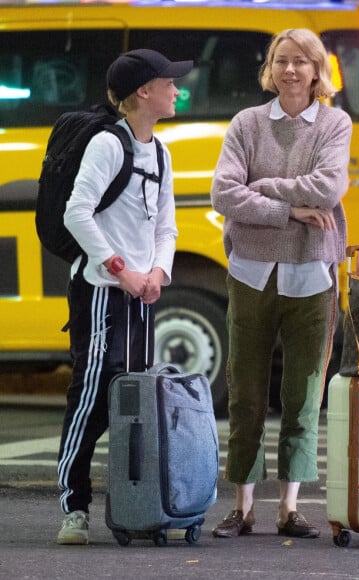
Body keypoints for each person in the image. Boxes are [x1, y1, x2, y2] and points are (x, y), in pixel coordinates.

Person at [210, 28, 352, 539]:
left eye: (301, 62)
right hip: (250, 270)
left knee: (303, 393)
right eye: (281, 60)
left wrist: (261, 187)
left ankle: (290, 507)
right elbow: (223, 193)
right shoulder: (247, 123)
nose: (290, 70)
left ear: (318, 71)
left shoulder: (335, 123)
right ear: (269, 69)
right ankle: (242, 507)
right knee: (244, 392)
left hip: (312, 274)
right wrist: (289, 208)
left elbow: (330, 186)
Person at [56, 49, 192, 544]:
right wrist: (121, 270)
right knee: (92, 396)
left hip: (141, 295)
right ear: (143, 92)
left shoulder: (161, 152)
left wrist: (157, 271)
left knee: (132, 401)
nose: (176, 90)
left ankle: (135, 505)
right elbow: (77, 213)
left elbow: (167, 225)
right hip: (100, 291)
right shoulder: (107, 145)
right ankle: (74, 507)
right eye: (168, 83)